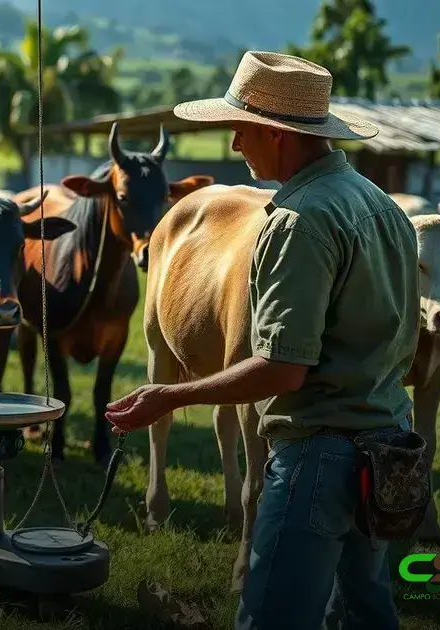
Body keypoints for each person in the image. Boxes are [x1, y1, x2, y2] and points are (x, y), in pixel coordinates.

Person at [104, 51, 418, 629]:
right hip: (386, 448)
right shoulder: (382, 206)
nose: (233, 147)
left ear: (275, 133)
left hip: (317, 455)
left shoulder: (298, 220)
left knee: (274, 613)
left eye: (239, 130)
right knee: (365, 613)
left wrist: (169, 396)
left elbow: (281, 369)